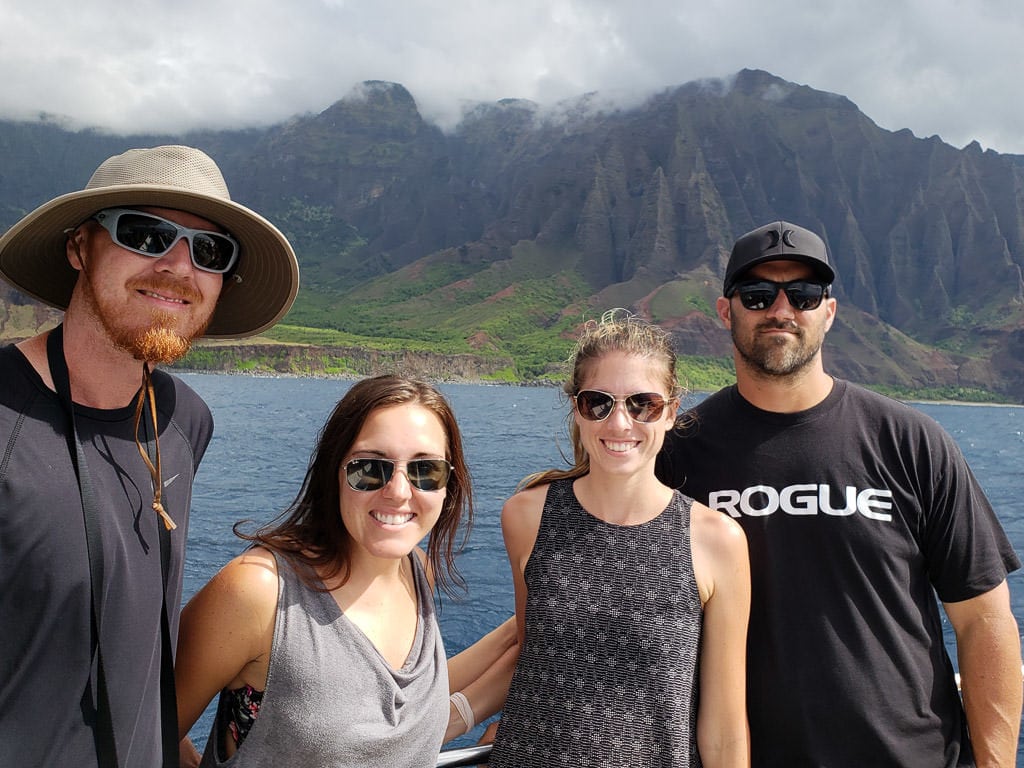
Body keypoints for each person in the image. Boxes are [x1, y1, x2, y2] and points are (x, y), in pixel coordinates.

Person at [656, 220, 1023, 767]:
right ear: (725, 311)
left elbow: (984, 621)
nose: (781, 310)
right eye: (758, 295)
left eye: (803, 295)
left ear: (828, 312)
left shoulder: (912, 442)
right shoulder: (675, 455)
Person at [0, 145, 300, 767]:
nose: (178, 267)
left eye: (210, 251)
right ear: (81, 248)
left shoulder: (185, 419)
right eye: (146, 234)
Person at [174, 375, 518, 768]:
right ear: (334, 471)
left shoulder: (415, 572)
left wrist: (518, 631)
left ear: (448, 485)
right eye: (369, 468)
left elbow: (387, 700)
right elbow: (140, 730)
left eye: (426, 470)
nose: (399, 491)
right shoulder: (259, 592)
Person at [489, 310, 751, 768]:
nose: (619, 424)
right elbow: (533, 656)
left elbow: (725, 728)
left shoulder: (716, 540)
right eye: (599, 403)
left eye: (642, 404)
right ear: (577, 407)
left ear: (670, 412)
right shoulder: (526, 516)